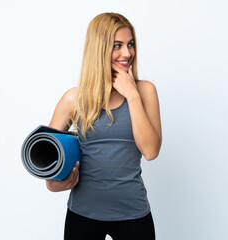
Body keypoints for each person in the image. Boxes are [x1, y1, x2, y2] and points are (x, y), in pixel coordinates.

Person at [45, 12, 162, 240]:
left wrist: (132, 95)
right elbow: (47, 159)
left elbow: (151, 151)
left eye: (130, 44)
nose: (127, 53)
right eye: (117, 46)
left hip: (133, 214)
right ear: (99, 49)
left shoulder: (145, 91)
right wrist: (54, 183)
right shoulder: (74, 99)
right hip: (83, 214)